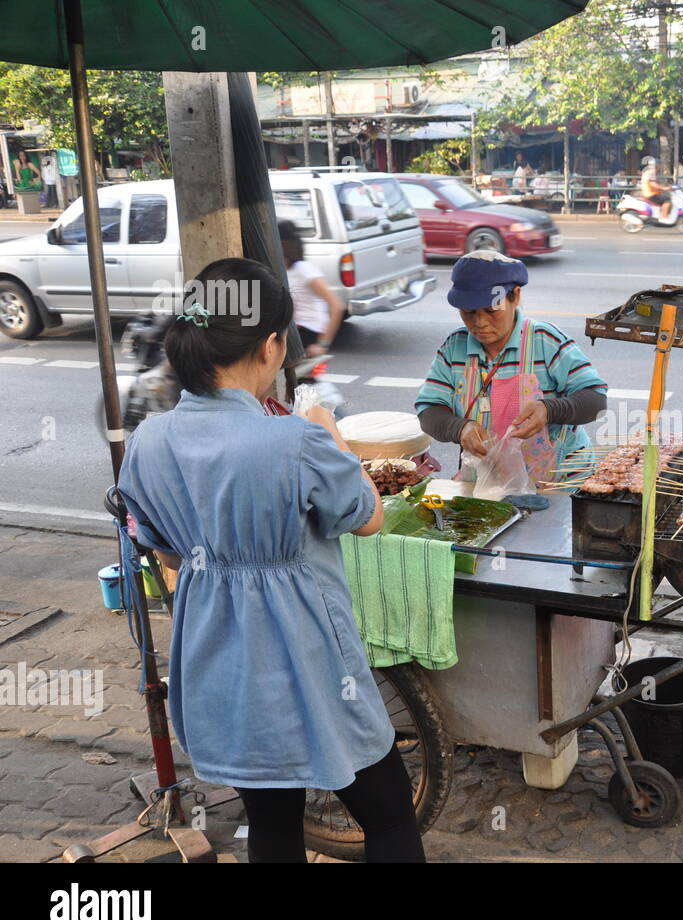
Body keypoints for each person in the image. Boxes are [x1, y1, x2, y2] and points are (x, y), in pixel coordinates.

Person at [117, 258, 424, 863]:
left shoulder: (147, 441)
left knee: (271, 821)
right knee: (387, 811)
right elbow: (367, 517)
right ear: (271, 344)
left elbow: (159, 546)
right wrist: (328, 431)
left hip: (218, 660)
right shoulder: (296, 439)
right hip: (310, 657)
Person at [415, 250, 608, 487]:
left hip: (559, 483)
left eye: (491, 310)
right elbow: (429, 411)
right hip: (488, 484)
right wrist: (460, 428)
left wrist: (550, 409)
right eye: (469, 312)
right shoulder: (454, 348)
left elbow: (596, 400)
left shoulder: (546, 341)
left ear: (514, 297)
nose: (480, 323)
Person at [279, 220, 344, 357]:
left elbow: (337, 305)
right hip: (294, 333)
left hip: (307, 335)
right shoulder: (284, 271)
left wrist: (323, 344)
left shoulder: (304, 269)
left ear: (283, 244)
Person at [639, 156, 672, 222]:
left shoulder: (650, 172)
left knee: (664, 196)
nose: (661, 166)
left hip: (650, 193)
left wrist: (663, 186)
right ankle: (663, 217)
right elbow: (652, 184)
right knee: (667, 200)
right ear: (657, 165)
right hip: (650, 194)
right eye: (660, 165)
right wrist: (664, 188)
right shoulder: (651, 172)